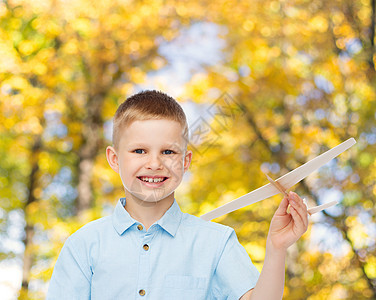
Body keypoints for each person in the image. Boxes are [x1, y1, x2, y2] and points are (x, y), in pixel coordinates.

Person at [47, 90, 308, 300]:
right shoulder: (83, 246)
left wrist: (276, 249)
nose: (154, 163)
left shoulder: (216, 243)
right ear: (114, 159)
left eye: (168, 152)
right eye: (139, 151)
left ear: (185, 161)